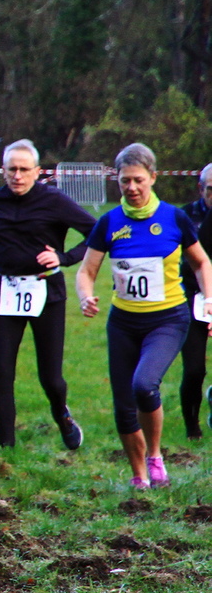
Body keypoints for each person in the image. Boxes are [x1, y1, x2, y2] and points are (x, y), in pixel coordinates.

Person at [77, 143, 212, 489]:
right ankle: (139, 475)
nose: (132, 188)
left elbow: (201, 262)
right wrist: (85, 296)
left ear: (152, 177)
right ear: (117, 181)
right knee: (123, 405)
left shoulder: (174, 218)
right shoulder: (109, 222)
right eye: (125, 181)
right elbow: (87, 271)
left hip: (167, 320)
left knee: (144, 385)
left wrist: (209, 298)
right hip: (123, 323)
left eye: (138, 180)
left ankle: (154, 455)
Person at [0, 140, 94, 449]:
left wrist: (64, 257)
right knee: (2, 371)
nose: (17, 176)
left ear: (37, 171)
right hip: (5, 291)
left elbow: (96, 232)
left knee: (51, 378)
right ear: (3, 171)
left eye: (24, 169)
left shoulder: (54, 200)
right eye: (12, 170)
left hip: (47, 292)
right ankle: (7, 448)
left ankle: (62, 414)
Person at [177, 164, 212, 438]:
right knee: (194, 370)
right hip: (193, 298)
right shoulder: (185, 217)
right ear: (200, 189)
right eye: (211, 190)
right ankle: (192, 427)